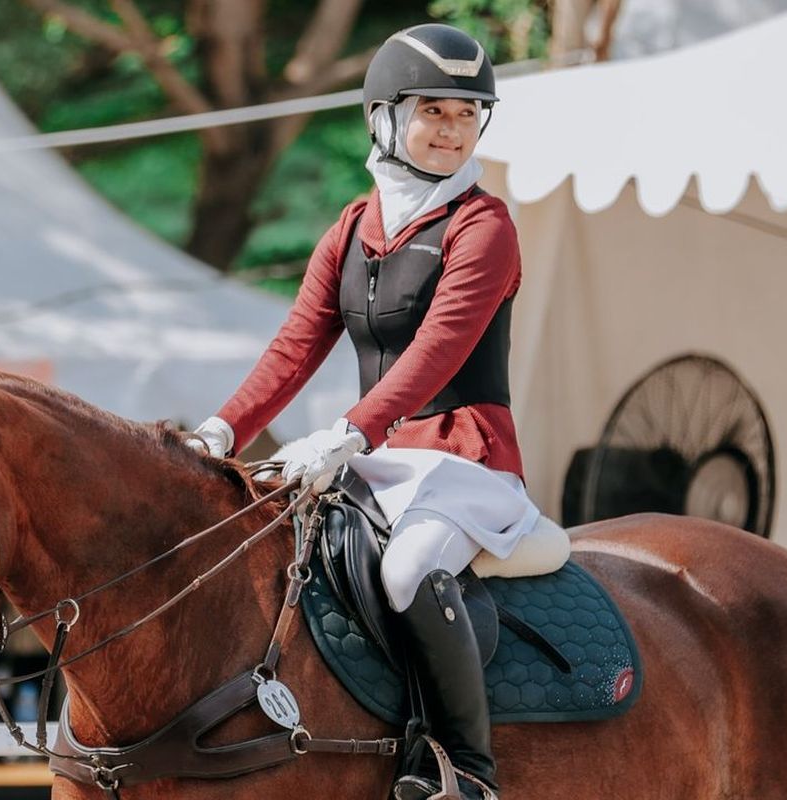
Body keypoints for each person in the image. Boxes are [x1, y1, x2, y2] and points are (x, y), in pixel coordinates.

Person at [188, 23, 535, 800]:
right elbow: (293, 348)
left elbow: (437, 351)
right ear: (384, 117)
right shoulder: (351, 228)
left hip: (467, 459)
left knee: (409, 568)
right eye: (434, 112)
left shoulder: (485, 227)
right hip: (378, 457)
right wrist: (219, 432)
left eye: (467, 114)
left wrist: (349, 430)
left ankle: (469, 773)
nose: (453, 131)